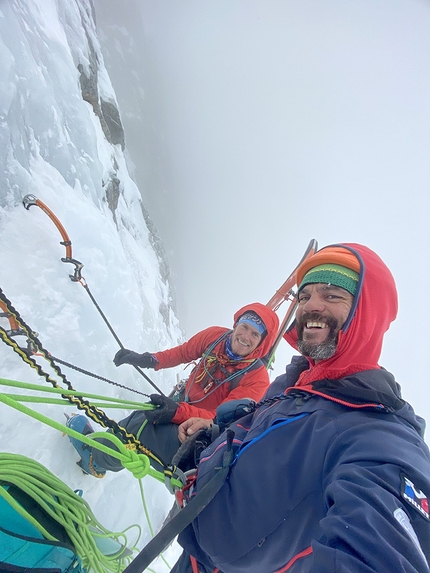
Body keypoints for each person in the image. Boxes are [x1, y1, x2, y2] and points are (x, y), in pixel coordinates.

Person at [173, 243, 430, 573]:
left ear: (367, 311)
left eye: (332, 295)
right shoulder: (295, 383)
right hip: (195, 544)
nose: (312, 306)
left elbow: (380, 547)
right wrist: (219, 431)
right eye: (304, 296)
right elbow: (267, 433)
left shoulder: (378, 436)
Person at [67, 302, 279, 476]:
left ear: (261, 343)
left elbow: (221, 418)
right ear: (236, 324)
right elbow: (183, 352)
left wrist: (177, 412)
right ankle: (104, 453)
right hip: (182, 403)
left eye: (255, 334)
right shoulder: (216, 337)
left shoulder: (257, 378)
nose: (246, 336)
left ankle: (94, 460)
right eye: (244, 326)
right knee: (138, 423)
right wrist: (149, 359)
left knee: (140, 428)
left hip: (200, 435)